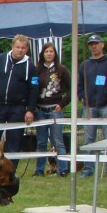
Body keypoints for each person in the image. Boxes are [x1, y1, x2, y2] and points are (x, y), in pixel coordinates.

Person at [0, 34, 39, 162]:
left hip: (18, 108)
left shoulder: (31, 67)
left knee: (14, 140)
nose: (20, 50)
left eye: (23, 48)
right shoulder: (0, 59)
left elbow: (34, 90)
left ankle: (10, 171)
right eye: (17, 47)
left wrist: (30, 109)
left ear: (27, 49)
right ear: (12, 46)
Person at [79, 34, 107, 179]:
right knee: (89, 138)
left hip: (106, 104)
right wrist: (81, 96)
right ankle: (88, 167)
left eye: (96, 43)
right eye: (91, 44)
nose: (93, 46)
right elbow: (79, 83)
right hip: (89, 106)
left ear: (102, 44)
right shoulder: (84, 64)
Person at [33, 43, 70, 177]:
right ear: (42, 53)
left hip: (55, 110)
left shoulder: (62, 70)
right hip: (40, 110)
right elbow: (31, 89)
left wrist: (62, 103)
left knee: (57, 141)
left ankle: (63, 169)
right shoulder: (36, 70)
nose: (49, 54)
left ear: (55, 54)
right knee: (41, 142)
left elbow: (72, 89)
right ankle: (39, 170)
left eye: (51, 51)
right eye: (46, 51)